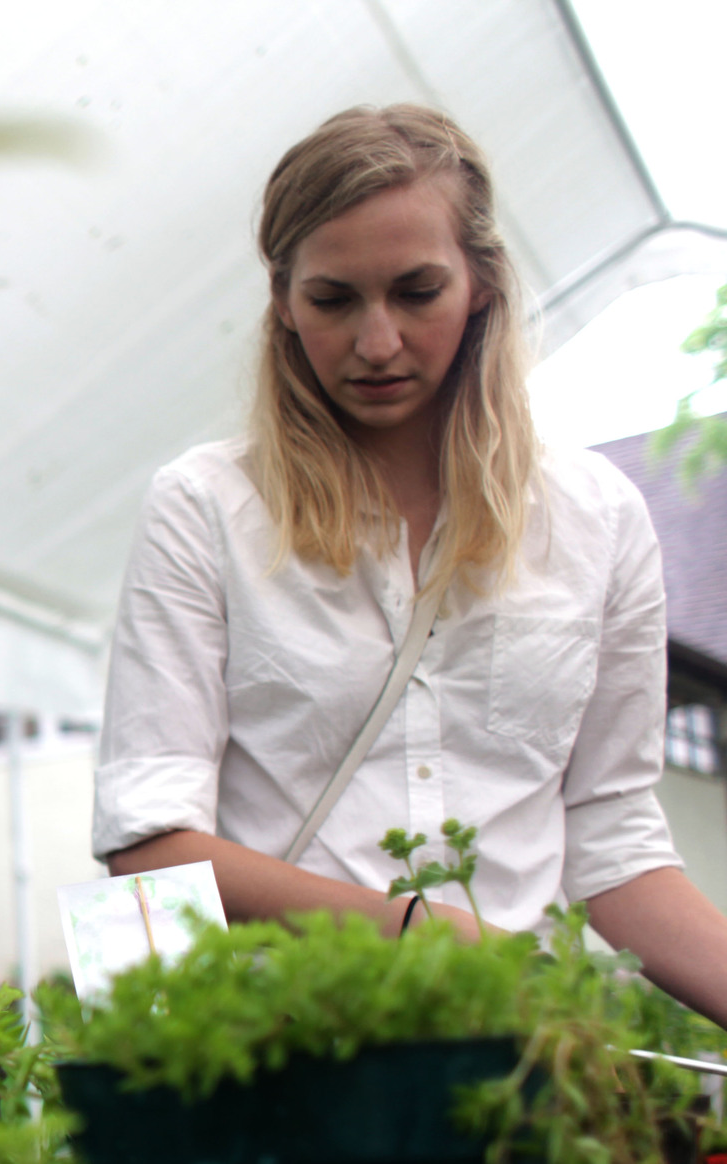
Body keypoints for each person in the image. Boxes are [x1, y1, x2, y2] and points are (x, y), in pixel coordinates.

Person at [93, 105, 727, 1025]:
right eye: (334, 299)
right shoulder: (207, 508)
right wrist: (414, 933)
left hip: (516, 1063)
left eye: (417, 291)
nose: (377, 342)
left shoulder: (596, 519)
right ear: (283, 300)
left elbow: (614, 841)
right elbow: (148, 844)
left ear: (483, 284)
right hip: (268, 1051)